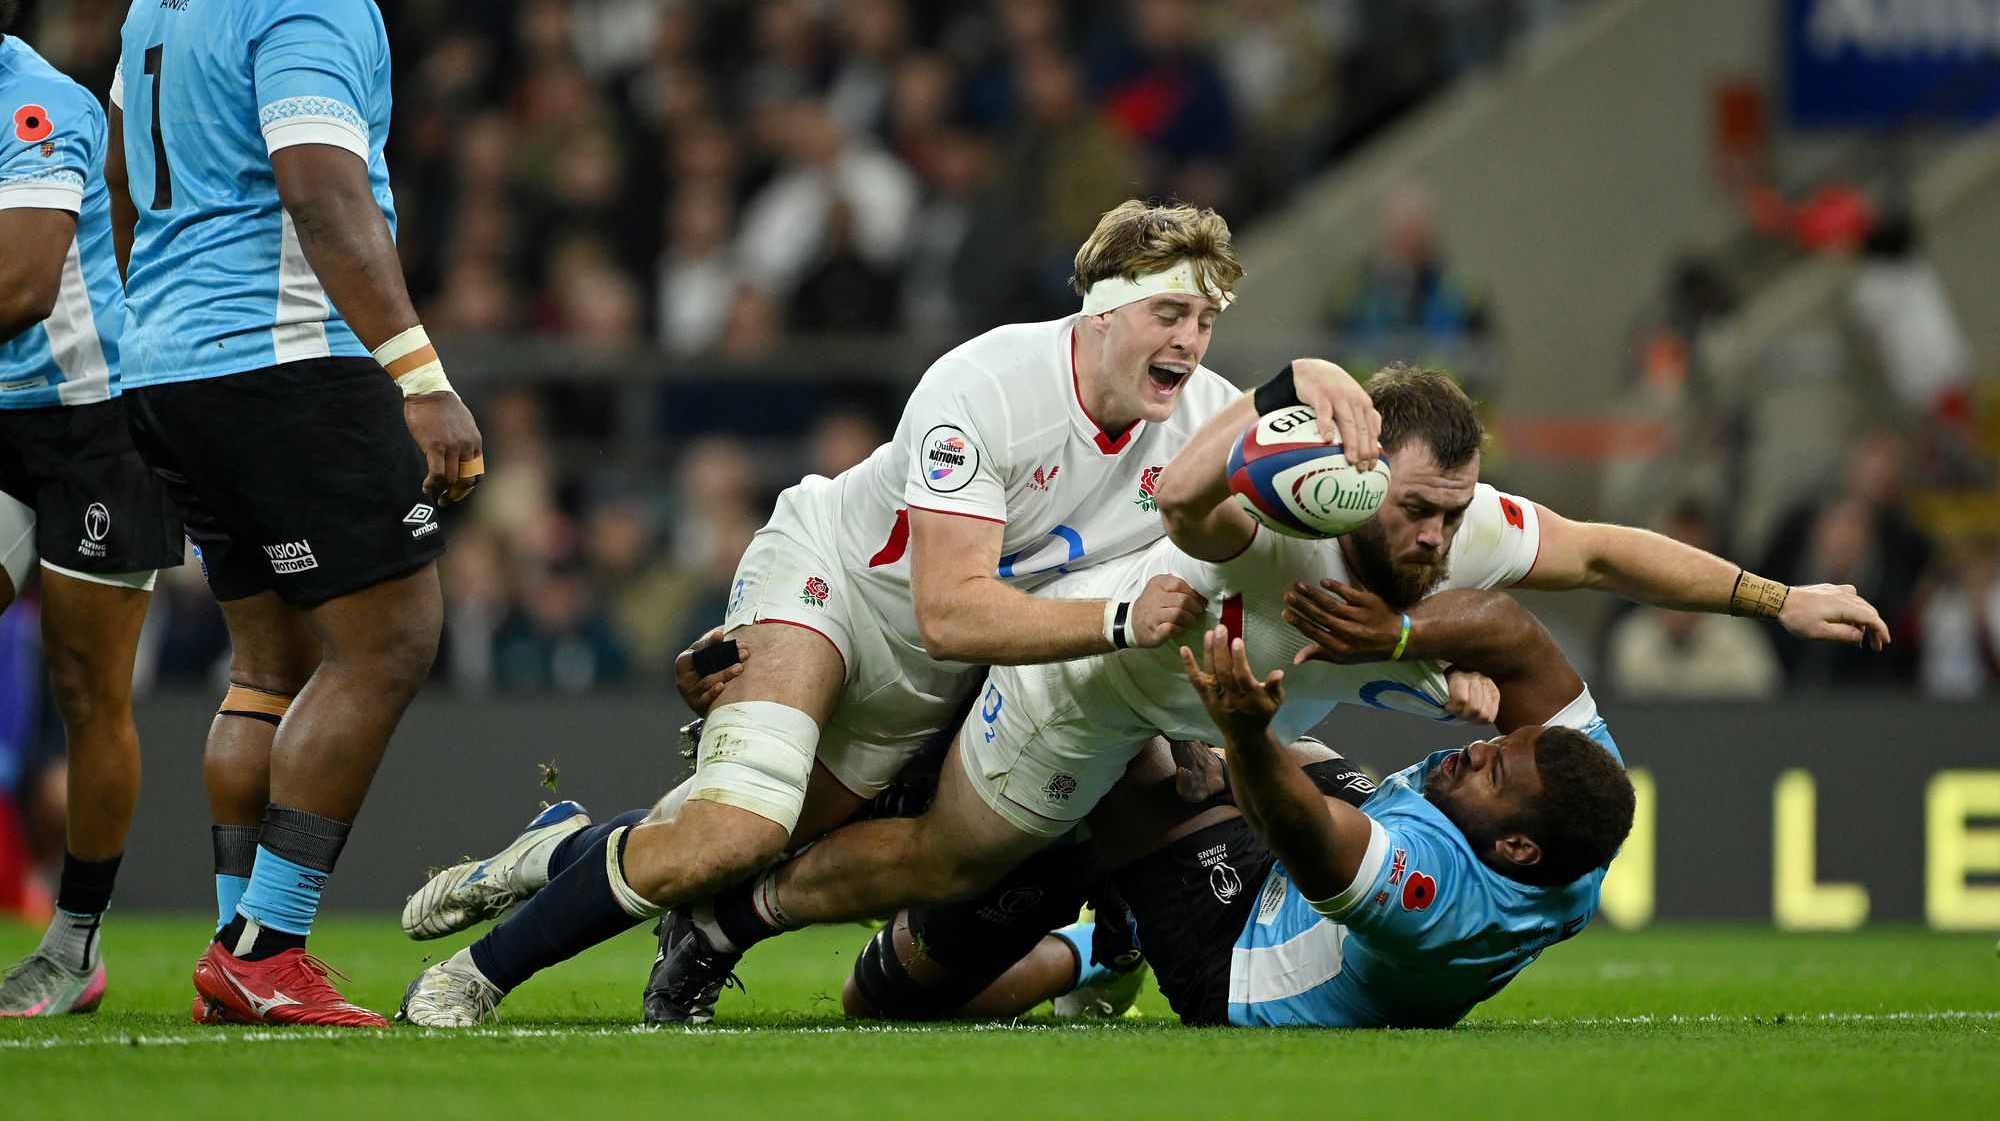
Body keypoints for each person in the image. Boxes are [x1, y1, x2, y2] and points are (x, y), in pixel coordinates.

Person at [397, 199, 1382, 1026]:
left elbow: (1225, 571)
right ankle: (475, 974)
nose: (1189, 341)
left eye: (1204, 319)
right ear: (1100, 310)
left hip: (941, 673)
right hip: (835, 588)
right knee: (735, 829)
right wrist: (1124, 622)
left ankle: (555, 849)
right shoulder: (987, 385)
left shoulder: (1203, 421)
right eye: (1168, 312)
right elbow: (950, 610)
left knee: (736, 845)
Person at [663, 367, 1885, 1016]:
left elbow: (1604, 552)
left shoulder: (1458, 545)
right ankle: (734, 910)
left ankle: (1080, 927)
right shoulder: (1276, 503)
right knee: (951, 854)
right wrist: (1273, 394)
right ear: (1354, 472)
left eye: (1453, 511)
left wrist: (1777, 598)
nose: (1437, 536)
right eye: (1416, 508)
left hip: (1226, 753)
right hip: (1100, 689)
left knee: (927, 946)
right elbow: (1180, 506)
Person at [105, 0, 482, 1027]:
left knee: (268, 661)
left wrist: (156, 331)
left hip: (173, 364)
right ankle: (268, 945)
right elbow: (321, 190)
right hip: (280, 359)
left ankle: (235, 945)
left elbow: (123, 181)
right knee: (391, 638)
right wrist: (420, 376)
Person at [853, 603, 1629, 1029]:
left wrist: (1243, 735)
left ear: (1517, 847)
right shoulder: (1583, 798)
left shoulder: (1436, 899)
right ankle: (1109, 893)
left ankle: (1100, 942)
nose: (1476, 749)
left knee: (1107, 725)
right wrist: (1396, 632)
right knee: (1209, 731)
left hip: (1240, 957)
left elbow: (1304, 832)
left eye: (1494, 770)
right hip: (1343, 879)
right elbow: (1518, 635)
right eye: (1498, 744)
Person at [0, 0, 184, 1016]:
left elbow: (25, 284)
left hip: (94, 422)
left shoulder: (39, 102)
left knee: (85, 687)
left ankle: (73, 948)